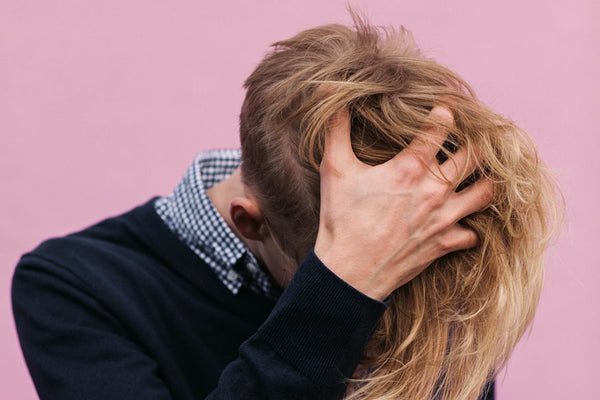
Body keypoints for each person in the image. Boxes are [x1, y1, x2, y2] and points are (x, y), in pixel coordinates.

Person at [12, 17, 558, 400]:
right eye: (373, 270)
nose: (382, 322)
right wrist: (341, 289)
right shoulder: (70, 288)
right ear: (249, 222)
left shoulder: (435, 246)